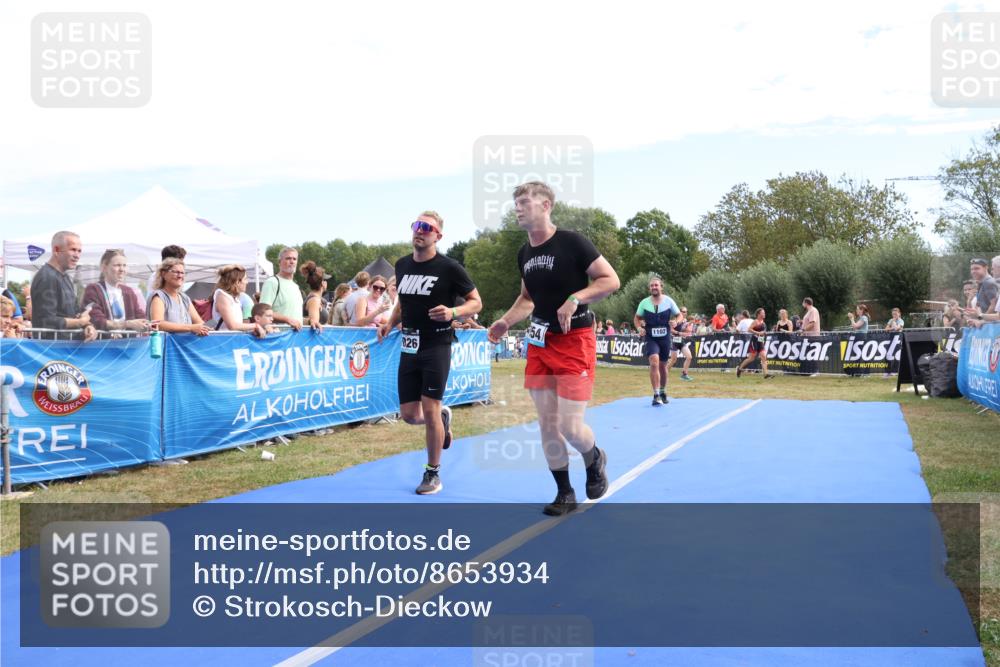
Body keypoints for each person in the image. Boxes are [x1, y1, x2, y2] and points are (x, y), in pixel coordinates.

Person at [488, 181, 619, 516]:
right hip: (540, 343)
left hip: (574, 341)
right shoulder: (524, 253)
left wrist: (575, 299)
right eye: (515, 202)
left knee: (570, 426)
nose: (517, 207)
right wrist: (505, 322)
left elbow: (609, 280)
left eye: (524, 201)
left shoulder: (572, 242)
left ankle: (594, 458)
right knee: (547, 424)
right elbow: (527, 298)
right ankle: (564, 493)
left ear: (546, 205)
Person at [378, 210, 482, 495]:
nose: (419, 230)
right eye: (416, 225)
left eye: (427, 227)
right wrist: (389, 323)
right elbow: (403, 301)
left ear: (438, 235)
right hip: (409, 347)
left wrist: (453, 311)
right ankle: (443, 419)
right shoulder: (401, 265)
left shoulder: (449, 268)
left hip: (437, 345)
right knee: (410, 415)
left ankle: (432, 472)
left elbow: (476, 303)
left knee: (430, 407)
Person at [29, 231, 97, 341]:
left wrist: (88, 326)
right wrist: (80, 322)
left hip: (67, 348)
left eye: (79, 251)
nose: (77, 256)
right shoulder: (47, 277)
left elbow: (75, 313)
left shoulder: (66, 278)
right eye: (73, 250)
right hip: (51, 350)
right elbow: (46, 321)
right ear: (56, 250)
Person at [633, 277, 680, 405]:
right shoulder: (644, 303)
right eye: (652, 286)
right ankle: (656, 394)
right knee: (654, 362)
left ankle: (663, 392)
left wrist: (676, 321)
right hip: (650, 337)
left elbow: (679, 315)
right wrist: (638, 328)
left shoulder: (669, 301)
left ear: (661, 287)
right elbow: (636, 318)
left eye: (656, 285)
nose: (654, 287)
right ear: (650, 288)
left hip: (665, 338)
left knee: (663, 366)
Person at [82, 249, 149, 332]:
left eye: (124, 265)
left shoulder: (129, 292)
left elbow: (141, 317)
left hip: (128, 342)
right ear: (104, 267)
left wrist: (147, 323)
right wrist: (127, 324)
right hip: (104, 343)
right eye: (117, 265)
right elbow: (96, 320)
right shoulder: (94, 289)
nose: (122, 269)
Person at [146, 259, 212, 336]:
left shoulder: (184, 298)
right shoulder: (159, 297)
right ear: (163, 274)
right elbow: (157, 324)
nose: (180, 276)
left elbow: (199, 323)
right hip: (165, 346)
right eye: (176, 272)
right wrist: (191, 328)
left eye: (182, 273)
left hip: (183, 346)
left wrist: (207, 329)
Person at [212, 265, 266, 337]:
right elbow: (232, 326)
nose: (247, 282)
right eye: (245, 279)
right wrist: (256, 326)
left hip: (233, 339)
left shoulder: (234, 298)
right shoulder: (222, 296)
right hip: (224, 340)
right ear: (237, 282)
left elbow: (238, 325)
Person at [260, 247, 304, 331]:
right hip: (279, 338)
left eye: (294, 259)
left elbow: (295, 316)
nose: (291, 261)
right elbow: (263, 311)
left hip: (296, 339)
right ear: (279, 262)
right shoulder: (272, 282)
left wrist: (311, 320)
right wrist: (287, 320)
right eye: (288, 258)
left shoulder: (296, 286)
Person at [736, 308, 774, 379]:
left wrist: (762, 338)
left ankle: (766, 374)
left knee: (763, 356)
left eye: (764, 313)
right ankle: (740, 368)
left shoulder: (763, 323)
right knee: (751, 358)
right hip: (754, 341)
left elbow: (762, 333)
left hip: (760, 341)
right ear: (759, 314)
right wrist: (758, 333)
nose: (764, 314)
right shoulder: (755, 321)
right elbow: (749, 329)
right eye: (763, 313)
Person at [666, 306, 695, 382]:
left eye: (686, 312)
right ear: (680, 312)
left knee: (689, 357)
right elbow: (671, 330)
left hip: (680, 340)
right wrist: (679, 333)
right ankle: (664, 374)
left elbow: (684, 329)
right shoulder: (675, 320)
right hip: (673, 340)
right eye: (684, 311)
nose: (685, 313)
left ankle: (684, 375)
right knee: (673, 360)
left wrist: (686, 331)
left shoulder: (685, 320)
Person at [300, 261, 328, 330]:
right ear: (322, 283)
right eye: (326, 280)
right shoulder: (314, 300)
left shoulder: (314, 298)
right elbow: (314, 325)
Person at [799, 297, 821, 377]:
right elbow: (808, 321)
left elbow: (812, 323)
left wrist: (803, 330)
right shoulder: (809, 311)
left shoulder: (813, 310)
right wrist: (802, 322)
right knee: (808, 354)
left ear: (806, 303)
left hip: (813, 336)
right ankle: (810, 371)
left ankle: (815, 371)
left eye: (803, 302)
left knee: (813, 354)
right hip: (808, 337)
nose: (802, 304)